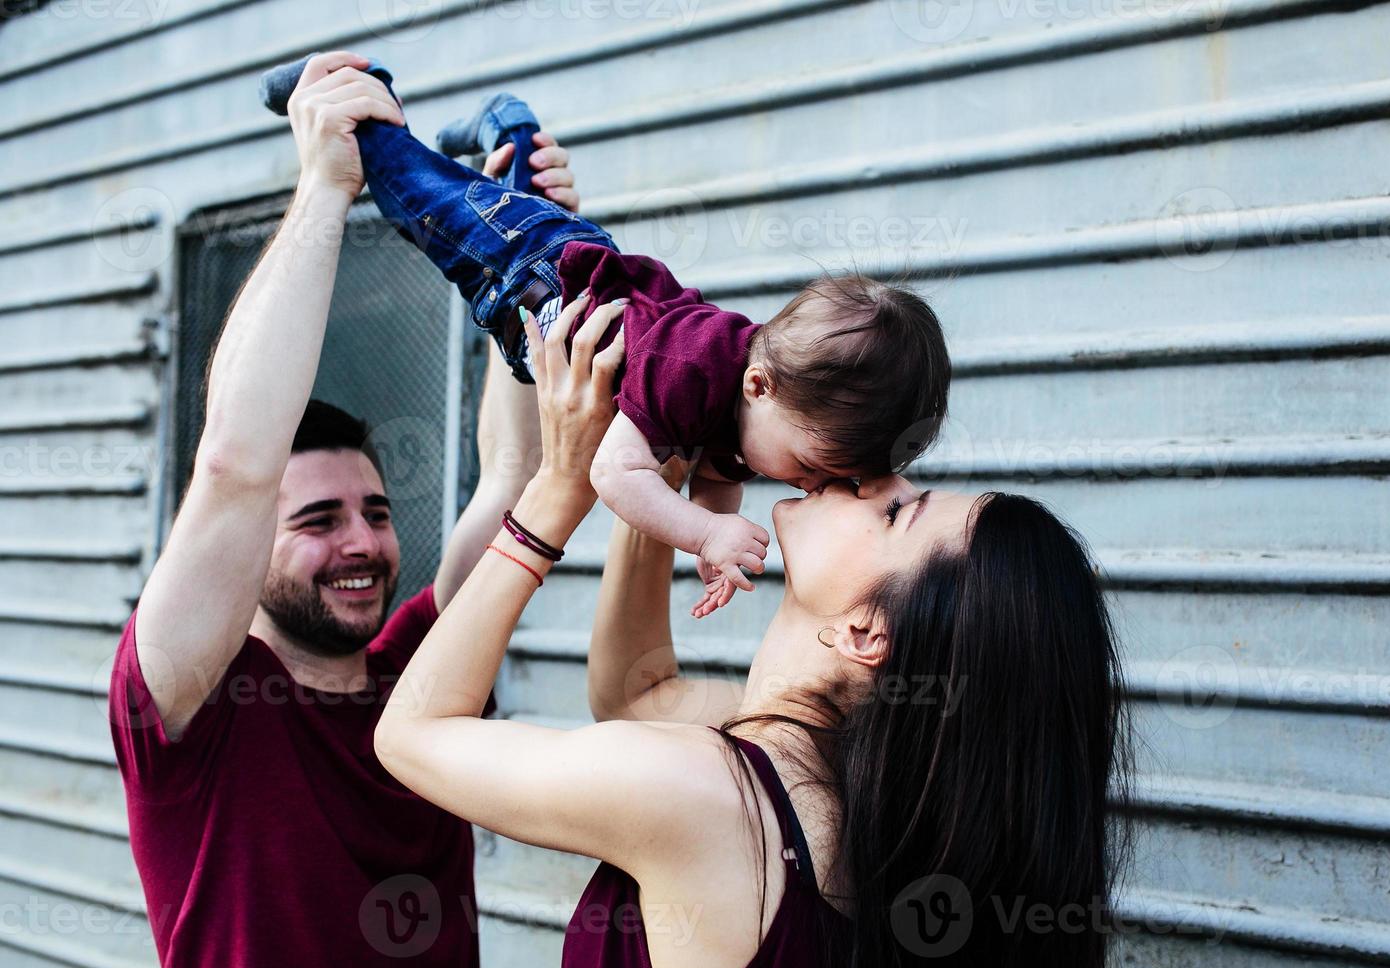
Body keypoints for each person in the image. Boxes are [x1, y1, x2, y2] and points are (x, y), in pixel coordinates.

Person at [373, 285, 1136, 968]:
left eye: (900, 510)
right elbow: (638, 693)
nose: (877, 477)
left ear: (867, 635)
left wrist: (560, 485)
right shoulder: (847, 790)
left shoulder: (708, 797)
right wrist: (664, 459)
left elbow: (411, 733)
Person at [107, 51, 584, 968]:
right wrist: (327, 186)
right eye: (319, 521)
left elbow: (517, 475)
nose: (362, 542)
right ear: (250, 548)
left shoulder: (423, 671)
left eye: (374, 510)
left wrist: (529, 243)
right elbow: (237, 467)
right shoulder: (187, 701)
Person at [259, 52, 953, 617]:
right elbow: (614, 473)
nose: (804, 484)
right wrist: (703, 531)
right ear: (759, 384)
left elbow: (714, 484)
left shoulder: (754, 420)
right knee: (416, 200)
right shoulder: (691, 372)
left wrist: (708, 545)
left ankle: (511, 125)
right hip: (530, 265)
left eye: (823, 479)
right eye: (809, 465)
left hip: (551, 294)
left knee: (503, 191)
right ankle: (360, 97)